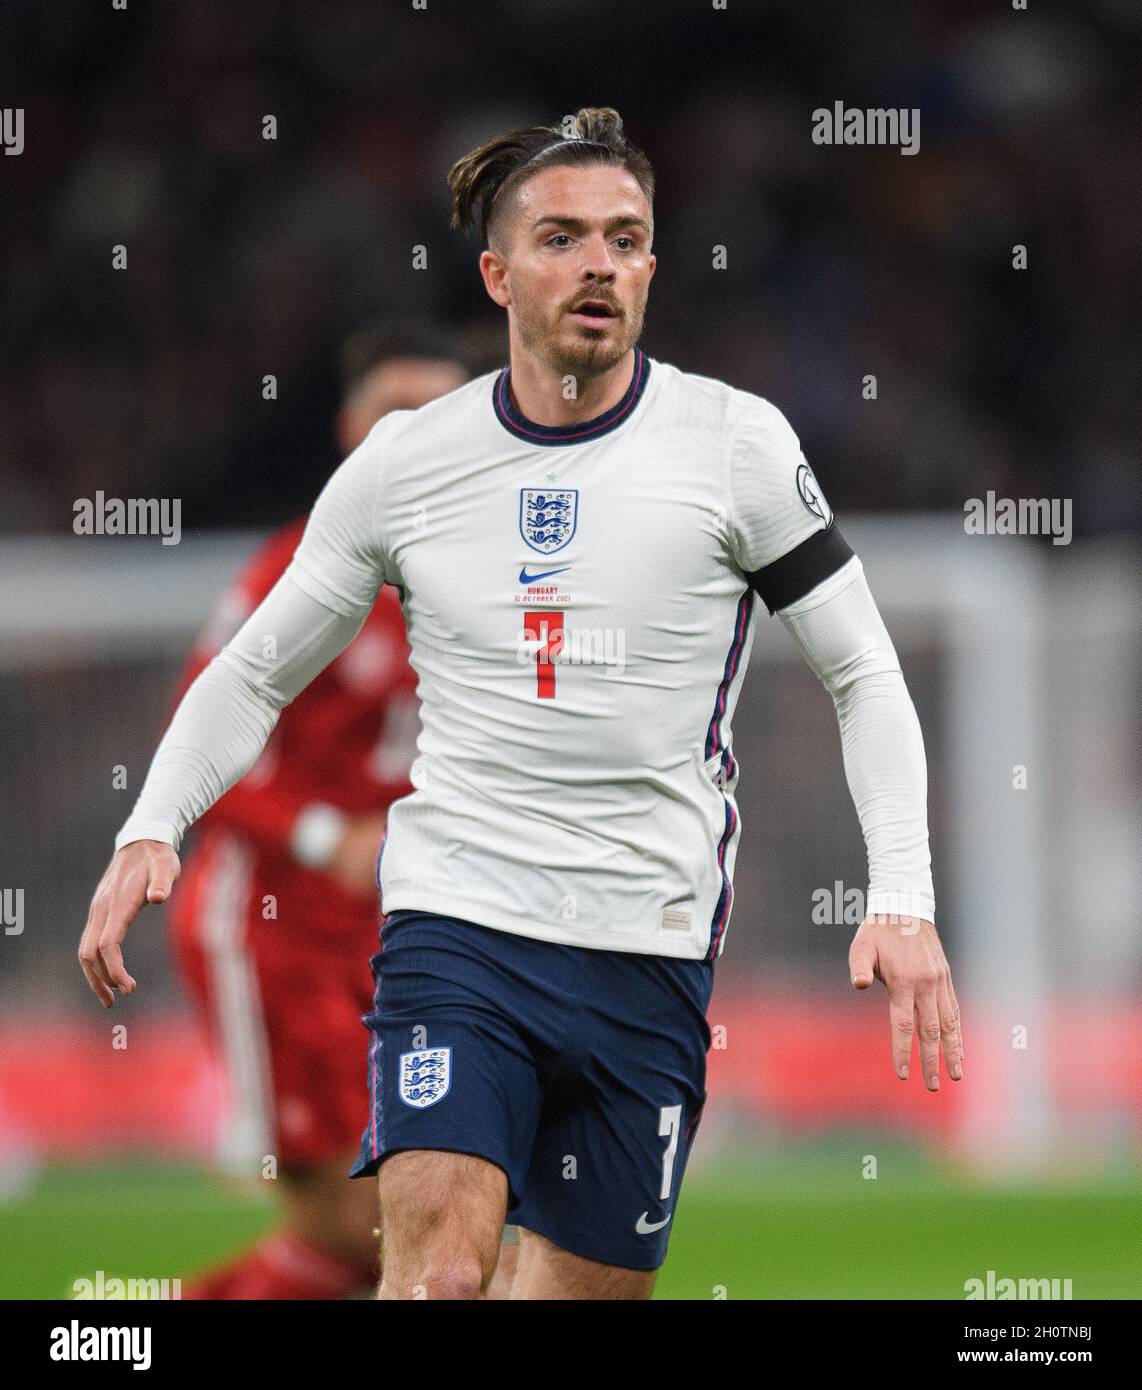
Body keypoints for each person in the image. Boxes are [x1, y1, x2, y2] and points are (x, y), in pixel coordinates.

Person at [81, 107, 963, 1301]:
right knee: (437, 1275)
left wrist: (900, 895)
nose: (597, 261)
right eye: (560, 237)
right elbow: (252, 666)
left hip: (646, 942)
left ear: (651, 264)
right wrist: (153, 824)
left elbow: (861, 670)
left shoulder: (734, 446)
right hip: (456, 923)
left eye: (624, 237)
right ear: (497, 273)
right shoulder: (407, 463)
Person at [168, 322, 472, 1299]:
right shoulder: (295, 575)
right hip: (276, 932)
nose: (412, 435)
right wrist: (321, 835)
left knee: (411, 1231)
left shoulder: (498, 583)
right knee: (380, 1233)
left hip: (408, 938)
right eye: (392, 413)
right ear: (350, 430)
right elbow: (201, 744)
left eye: (437, 415)